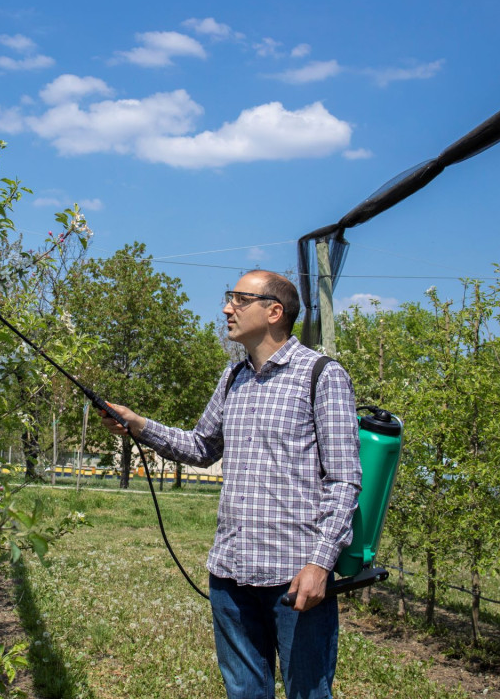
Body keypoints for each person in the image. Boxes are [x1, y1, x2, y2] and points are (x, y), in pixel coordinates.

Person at [101, 270, 360, 699]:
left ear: (274, 311)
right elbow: (201, 447)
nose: (227, 309)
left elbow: (345, 479)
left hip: (295, 577)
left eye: (239, 299)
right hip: (230, 573)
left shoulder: (322, 375)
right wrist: (138, 424)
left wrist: (320, 564)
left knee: (308, 694)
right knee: (243, 693)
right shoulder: (232, 378)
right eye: (229, 299)